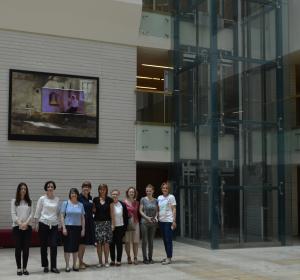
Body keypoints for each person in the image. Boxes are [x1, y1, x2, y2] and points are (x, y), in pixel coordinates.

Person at [34, 181, 60, 273]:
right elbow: (37, 211)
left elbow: (57, 212)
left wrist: (58, 222)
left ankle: (53, 266)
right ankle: (45, 265)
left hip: (54, 225)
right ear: (46, 188)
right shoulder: (42, 198)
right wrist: (36, 223)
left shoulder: (57, 199)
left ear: (54, 188)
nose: (50, 188)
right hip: (43, 224)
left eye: (52, 186)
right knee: (43, 246)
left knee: (54, 245)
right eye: (48, 186)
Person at [61, 188, 85, 272]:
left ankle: (74, 265)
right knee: (67, 248)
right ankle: (67, 266)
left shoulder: (80, 205)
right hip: (68, 227)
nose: (73, 194)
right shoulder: (65, 203)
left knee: (75, 248)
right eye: (72, 193)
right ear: (69, 195)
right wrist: (63, 227)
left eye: (75, 193)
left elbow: (82, 218)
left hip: (77, 228)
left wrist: (83, 229)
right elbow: (62, 216)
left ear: (77, 194)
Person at [11, 182, 33, 276]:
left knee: (26, 249)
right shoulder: (14, 201)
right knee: (18, 248)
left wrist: (26, 224)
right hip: (17, 227)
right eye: (21, 188)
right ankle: (19, 268)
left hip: (27, 227)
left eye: (25, 189)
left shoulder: (30, 201)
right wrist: (20, 224)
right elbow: (13, 214)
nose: (23, 190)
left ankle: (25, 268)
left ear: (26, 190)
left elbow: (31, 214)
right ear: (19, 190)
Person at [93, 184, 113, 268]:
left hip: (107, 223)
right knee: (98, 244)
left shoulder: (110, 200)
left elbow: (112, 213)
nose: (102, 191)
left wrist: (113, 224)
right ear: (98, 190)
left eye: (104, 189)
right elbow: (93, 211)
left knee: (106, 243)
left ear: (106, 190)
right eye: (100, 189)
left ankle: (106, 261)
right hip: (97, 223)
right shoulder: (95, 199)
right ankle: (100, 261)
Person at [158, 182, 176, 265]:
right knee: (165, 240)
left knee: (168, 240)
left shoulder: (171, 197)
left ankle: (169, 258)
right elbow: (158, 209)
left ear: (168, 189)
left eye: (166, 188)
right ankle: (167, 256)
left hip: (168, 221)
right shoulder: (159, 197)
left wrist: (174, 221)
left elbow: (174, 209)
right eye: (163, 188)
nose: (164, 189)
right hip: (161, 221)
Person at [139, 184, 158, 264]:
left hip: (153, 223)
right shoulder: (143, 199)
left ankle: (150, 258)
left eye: (150, 191)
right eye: (147, 191)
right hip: (144, 222)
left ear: (153, 191)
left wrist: (156, 217)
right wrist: (147, 218)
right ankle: (145, 258)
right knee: (145, 241)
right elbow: (140, 211)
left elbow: (157, 210)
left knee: (151, 241)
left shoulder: (156, 200)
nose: (148, 192)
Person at [78, 181, 95, 269]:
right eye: (84, 186)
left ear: (90, 188)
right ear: (82, 188)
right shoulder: (79, 197)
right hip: (81, 222)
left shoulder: (90, 197)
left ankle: (81, 261)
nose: (86, 188)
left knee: (84, 243)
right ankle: (80, 263)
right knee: (81, 243)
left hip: (89, 222)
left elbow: (92, 208)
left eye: (88, 187)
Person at [109, 189, 128, 266]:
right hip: (111, 227)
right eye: (113, 194)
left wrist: (124, 229)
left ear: (119, 194)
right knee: (111, 244)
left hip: (120, 227)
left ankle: (119, 260)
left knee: (119, 244)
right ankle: (113, 260)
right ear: (111, 195)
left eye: (116, 194)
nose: (114, 195)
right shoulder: (109, 204)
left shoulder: (122, 204)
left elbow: (126, 217)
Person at [123, 187, 140, 265]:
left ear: (134, 193)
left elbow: (139, 212)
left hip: (136, 223)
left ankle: (135, 257)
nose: (131, 193)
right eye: (130, 192)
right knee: (127, 242)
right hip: (127, 224)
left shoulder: (137, 202)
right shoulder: (123, 202)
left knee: (135, 242)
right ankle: (129, 257)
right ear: (127, 193)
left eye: (133, 192)